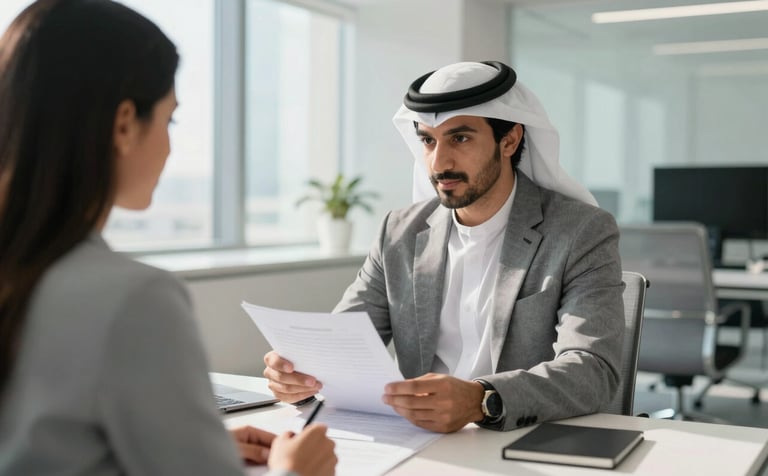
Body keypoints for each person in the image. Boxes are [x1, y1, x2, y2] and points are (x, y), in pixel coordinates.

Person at [0, 1, 336, 475]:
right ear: (122, 124)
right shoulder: (133, 298)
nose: (171, 143)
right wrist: (295, 471)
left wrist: (190, 443)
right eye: (170, 119)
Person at [263, 60, 624, 433]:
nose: (439, 162)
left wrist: (481, 399)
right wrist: (300, 376)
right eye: (428, 140)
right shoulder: (399, 232)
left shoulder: (581, 231)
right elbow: (341, 343)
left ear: (510, 140)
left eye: (460, 138)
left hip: (522, 439)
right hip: (417, 438)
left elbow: (594, 370)